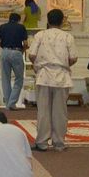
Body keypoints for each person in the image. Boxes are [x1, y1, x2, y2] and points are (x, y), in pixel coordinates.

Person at [28, 9, 78, 152]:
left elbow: (31, 54)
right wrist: (63, 64)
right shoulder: (68, 36)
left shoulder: (40, 35)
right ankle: (59, 143)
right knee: (60, 112)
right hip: (62, 77)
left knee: (43, 111)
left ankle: (42, 142)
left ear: (48, 21)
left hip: (43, 75)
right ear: (62, 21)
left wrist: (38, 64)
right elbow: (73, 58)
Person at [0, 13, 29, 110]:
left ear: (9, 19)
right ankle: (12, 103)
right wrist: (22, 51)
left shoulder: (2, 27)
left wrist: (4, 47)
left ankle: (8, 104)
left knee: (5, 78)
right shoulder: (21, 27)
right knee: (19, 78)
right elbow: (26, 43)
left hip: (5, 52)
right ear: (19, 20)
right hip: (17, 52)